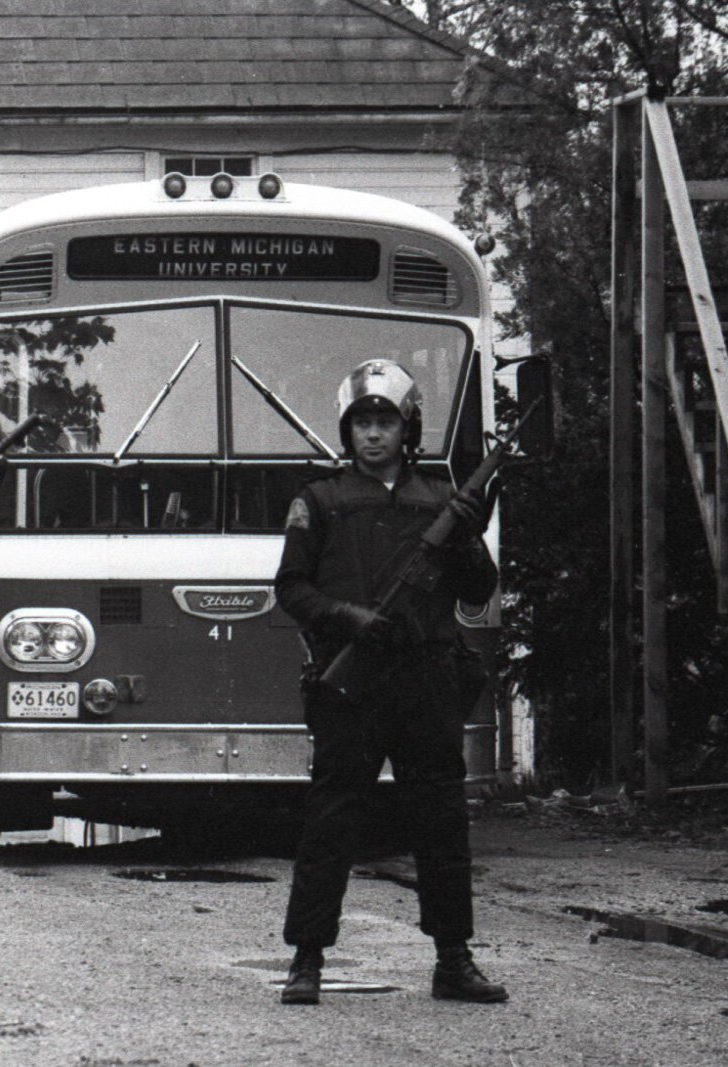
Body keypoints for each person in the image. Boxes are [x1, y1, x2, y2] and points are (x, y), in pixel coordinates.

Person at [274, 359, 507, 1006]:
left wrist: (466, 538)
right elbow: (291, 588)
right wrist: (347, 619)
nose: (373, 435)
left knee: (441, 820)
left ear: (408, 429)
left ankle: (453, 960)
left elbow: (477, 590)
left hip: (427, 677)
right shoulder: (318, 501)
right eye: (362, 423)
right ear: (347, 432)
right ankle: (307, 959)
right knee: (332, 819)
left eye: (385, 422)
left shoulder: (441, 500)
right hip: (351, 682)